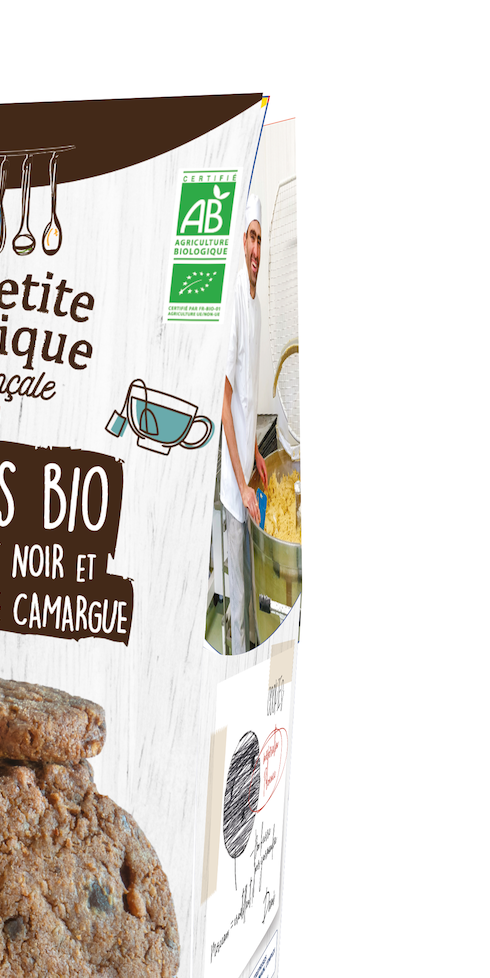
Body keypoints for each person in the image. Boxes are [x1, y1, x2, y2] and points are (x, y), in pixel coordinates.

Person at [218, 193, 267, 655]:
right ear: (241, 242)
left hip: (247, 472)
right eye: (251, 238)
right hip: (237, 491)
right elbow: (225, 402)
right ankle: (236, 662)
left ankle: (252, 650)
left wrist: (256, 453)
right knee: (235, 600)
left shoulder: (257, 304)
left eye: (260, 240)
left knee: (250, 587)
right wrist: (241, 483)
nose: (255, 249)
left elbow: (249, 394)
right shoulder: (234, 299)